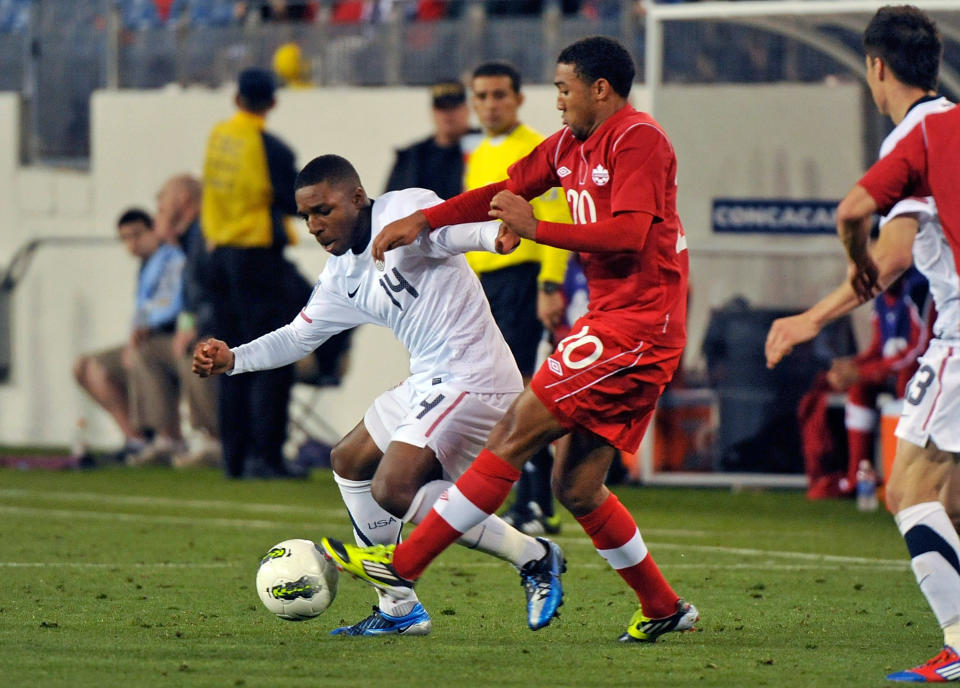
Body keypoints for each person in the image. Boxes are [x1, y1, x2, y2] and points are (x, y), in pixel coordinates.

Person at [321, 35, 698, 643]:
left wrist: (538, 229)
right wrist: (426, 218)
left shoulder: (639, 140)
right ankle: (663, 607)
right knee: (575, 486)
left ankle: (404, 564)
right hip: (613, 321)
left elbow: (629, 236)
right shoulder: (569, 145)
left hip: (639, 326)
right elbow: (500, 194)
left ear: (599, 89)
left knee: (517, 428)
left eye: (564, 88)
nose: (557, 100)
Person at [193, 154, 564, 635]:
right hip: (430, 378)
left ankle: (533, 556)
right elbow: (298, 337)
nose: (313, 225)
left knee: (394, 489)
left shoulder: (403, 209)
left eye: (323, 210)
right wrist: (234, 359)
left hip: (474, 377)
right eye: (305, 216)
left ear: (356, 197)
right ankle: (398, 608)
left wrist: (491, 237)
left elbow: (447, 229)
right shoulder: (341, 276)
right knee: (349, 460)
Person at [765, 6, 960, 682]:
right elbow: (905, 249)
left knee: (909, 491)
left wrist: (839, 279)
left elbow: (861, 220)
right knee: (950, 499)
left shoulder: (917, 134)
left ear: (876, 67)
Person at [463, 60, 572, 536]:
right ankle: (528, 502)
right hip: (485, 285)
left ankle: (535, 503)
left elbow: (557, 216)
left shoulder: (533, 148)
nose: (490, 104)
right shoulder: (479, 154)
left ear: (518, 99)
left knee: (518, 391)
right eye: (482, 96)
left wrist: (551, 285)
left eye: (499, 95)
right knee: (500, 392)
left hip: (521, 280)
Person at [201, 67, 305, 479]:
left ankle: (234, 457)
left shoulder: (218, 137)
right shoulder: (271, 148)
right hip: (258, 261)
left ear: (236, 97)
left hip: (219, 259)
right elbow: (292, 198)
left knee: (228, 355)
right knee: (269, 355)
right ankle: (267, 456)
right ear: (273, 103)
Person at [798, 269, 931, 500]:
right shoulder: (880, 296)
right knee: (856, 389)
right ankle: (858, 476)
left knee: (904, 381)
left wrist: (863, 371)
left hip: (920, 374)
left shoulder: (919, 288)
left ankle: (909, 476)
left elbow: (919, 350)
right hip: (892, 369)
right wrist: (850, 367)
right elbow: (877, 348)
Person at [74, 208, 185, 462]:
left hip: (168, 340)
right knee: (83, 367)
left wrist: (145, 329)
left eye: (137, 234)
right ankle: (135, 439)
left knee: (131, 359)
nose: (132, 243)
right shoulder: (147, 266)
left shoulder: (173, 258)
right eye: (125, 238)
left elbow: (174, 305)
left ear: (153, 230)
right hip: (148, 340)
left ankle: (163, 437)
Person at [151, 173, 222, 469]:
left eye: (163, 205)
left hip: (224, 331)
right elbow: (190, 295)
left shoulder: (208, 233)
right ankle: (166, 438)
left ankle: (215, 438)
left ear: (183, 200)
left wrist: (193, 325)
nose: (159, 212)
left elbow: (210, 291)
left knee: (195, 349)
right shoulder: (188, 240)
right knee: (148, 352)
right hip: (204, 326)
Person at [384, 80, 479, 200]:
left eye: (454, 107)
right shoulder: (412, 158)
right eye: (442, 108)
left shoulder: (488, 145)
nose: (448, 114)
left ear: (467, 109)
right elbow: (391, 203)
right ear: (433, 112)